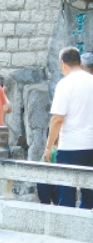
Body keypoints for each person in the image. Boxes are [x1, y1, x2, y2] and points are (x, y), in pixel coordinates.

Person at [42, 46, 93, 209]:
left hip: (70, 146)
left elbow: (57, 119)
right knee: (90, 194)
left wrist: (48, 147)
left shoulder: (65, 84)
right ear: (79, 62)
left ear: (63, 64)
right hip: (91, 145)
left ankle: (69, 230)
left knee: (66, 193)